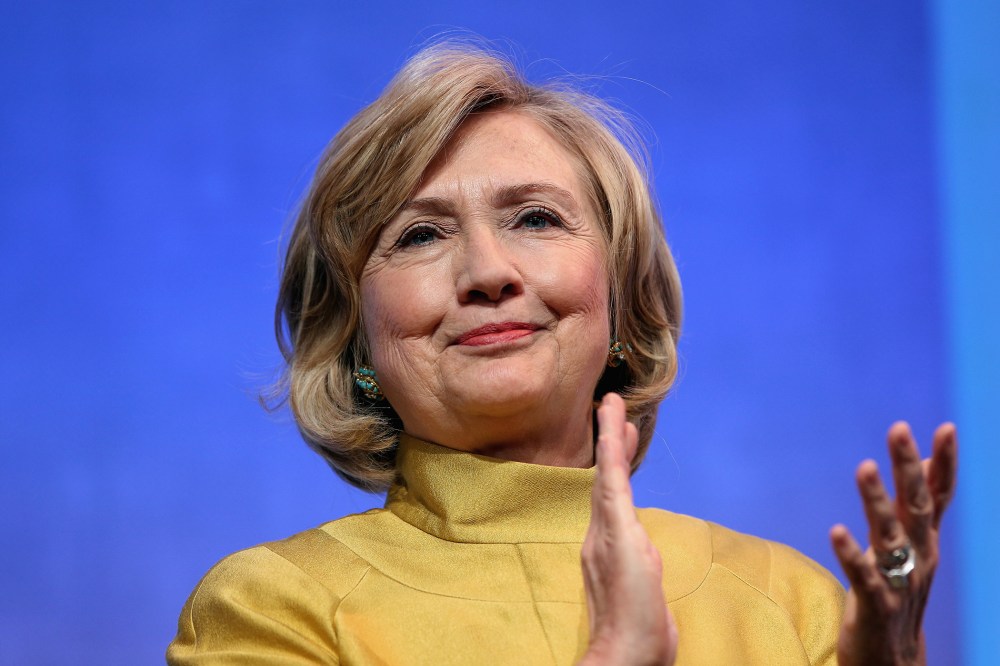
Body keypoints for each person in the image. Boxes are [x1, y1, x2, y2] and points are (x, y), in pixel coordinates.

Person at [167, 41, 958, 665]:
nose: (488, 273)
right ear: (354, 340)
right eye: (419, 234)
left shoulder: (796, 607)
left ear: (619, 302)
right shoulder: (269, 609)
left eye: (537, 220)